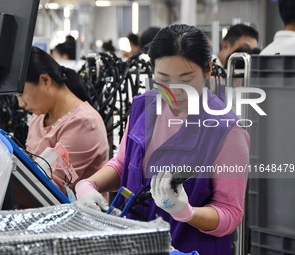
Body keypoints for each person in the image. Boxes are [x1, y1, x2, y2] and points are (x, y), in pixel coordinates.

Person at [75, 24, 249, 254]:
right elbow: (123, 165)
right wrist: (89, 184)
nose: (175, 91)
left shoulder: (226, 131)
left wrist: (187, 212)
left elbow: (230, 213)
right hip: (135, 245)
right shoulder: (143, 107)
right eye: (164, 79)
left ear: (207, 71)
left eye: (186, 80)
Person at [16, 46, 109, 194]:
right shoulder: (38, 116)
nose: (20, 103)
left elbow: (51, 188)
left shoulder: (83, 123)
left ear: (45, 80)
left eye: (21, 94)